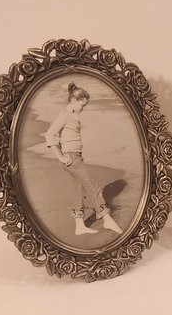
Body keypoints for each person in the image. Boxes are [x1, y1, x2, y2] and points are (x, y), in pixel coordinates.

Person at [45, 83, 122, 235]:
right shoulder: (65, 115)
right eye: (83, 105)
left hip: (74, 158)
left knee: (78, 191)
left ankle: (79, 226)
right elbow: (50, 134)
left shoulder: (71, 115)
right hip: (72, 159)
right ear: (74, 100)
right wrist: (60, 156)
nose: (84, 108)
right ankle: (107, 220)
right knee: (93, 188)